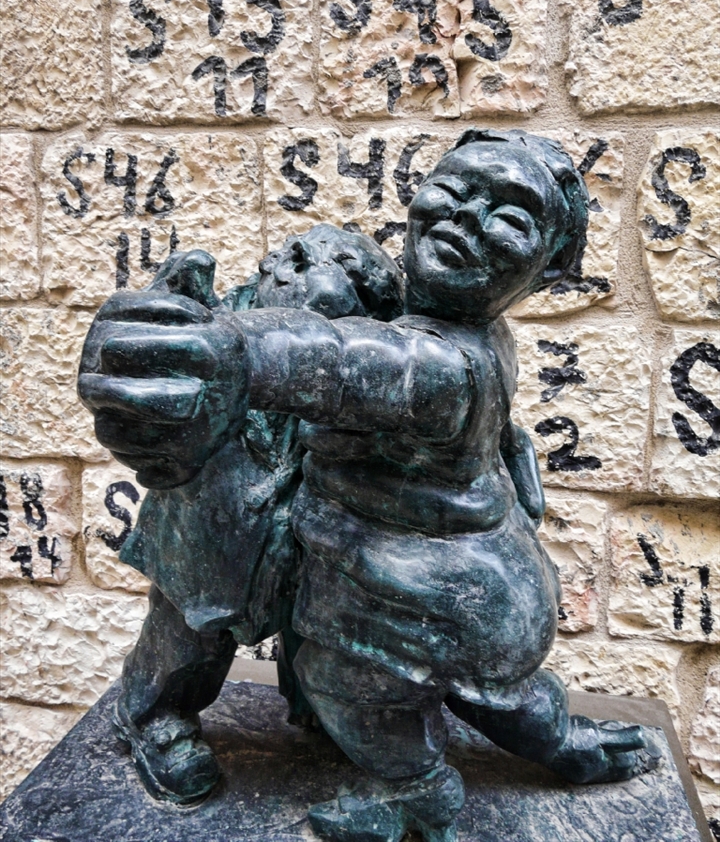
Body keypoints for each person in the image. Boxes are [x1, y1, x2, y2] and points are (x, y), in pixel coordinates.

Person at [79, 130, 659, 842]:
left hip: (411, 590)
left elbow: (345, 360)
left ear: (541, 272)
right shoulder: (471, 333)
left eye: (510, 217)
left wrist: (230, 349)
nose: (467, 219)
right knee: (491, 685)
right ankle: (557, 738)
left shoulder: (440, 366)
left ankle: (416, 788)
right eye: (456, 190)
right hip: (494, 584)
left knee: (349, 685)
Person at [90, 225, 404, 806]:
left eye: (350, 276)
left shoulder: (364, 360)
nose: (300, 266)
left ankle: (315, 706)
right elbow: (148, 369)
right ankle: (152, 715)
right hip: (210, 531)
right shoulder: (211, 323)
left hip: (309, 538)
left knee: (317, 632)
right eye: (305, 258)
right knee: (188, 639)